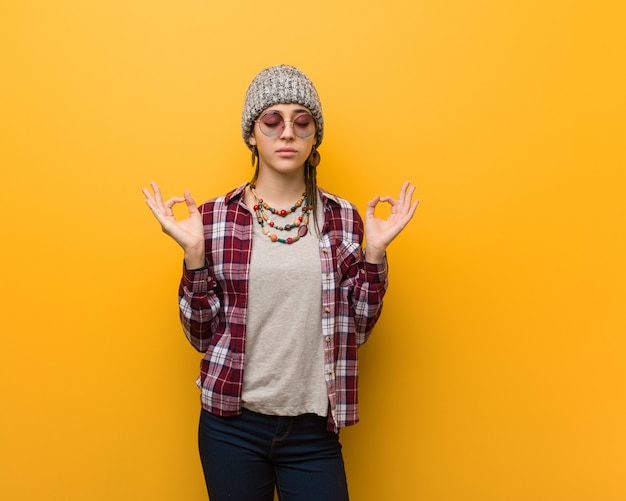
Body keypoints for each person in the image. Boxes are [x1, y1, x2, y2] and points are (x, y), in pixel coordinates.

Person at [142, 65, 418, 501]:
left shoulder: (343, 218)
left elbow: (359, 329)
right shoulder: (213, 218)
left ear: (314, 137)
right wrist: (194, 258)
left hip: (312, 430)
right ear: (252, 135)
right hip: (231, 426)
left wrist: (375, 255)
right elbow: (199, 336)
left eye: (301, 121)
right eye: (272, 121)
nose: (286, 132)